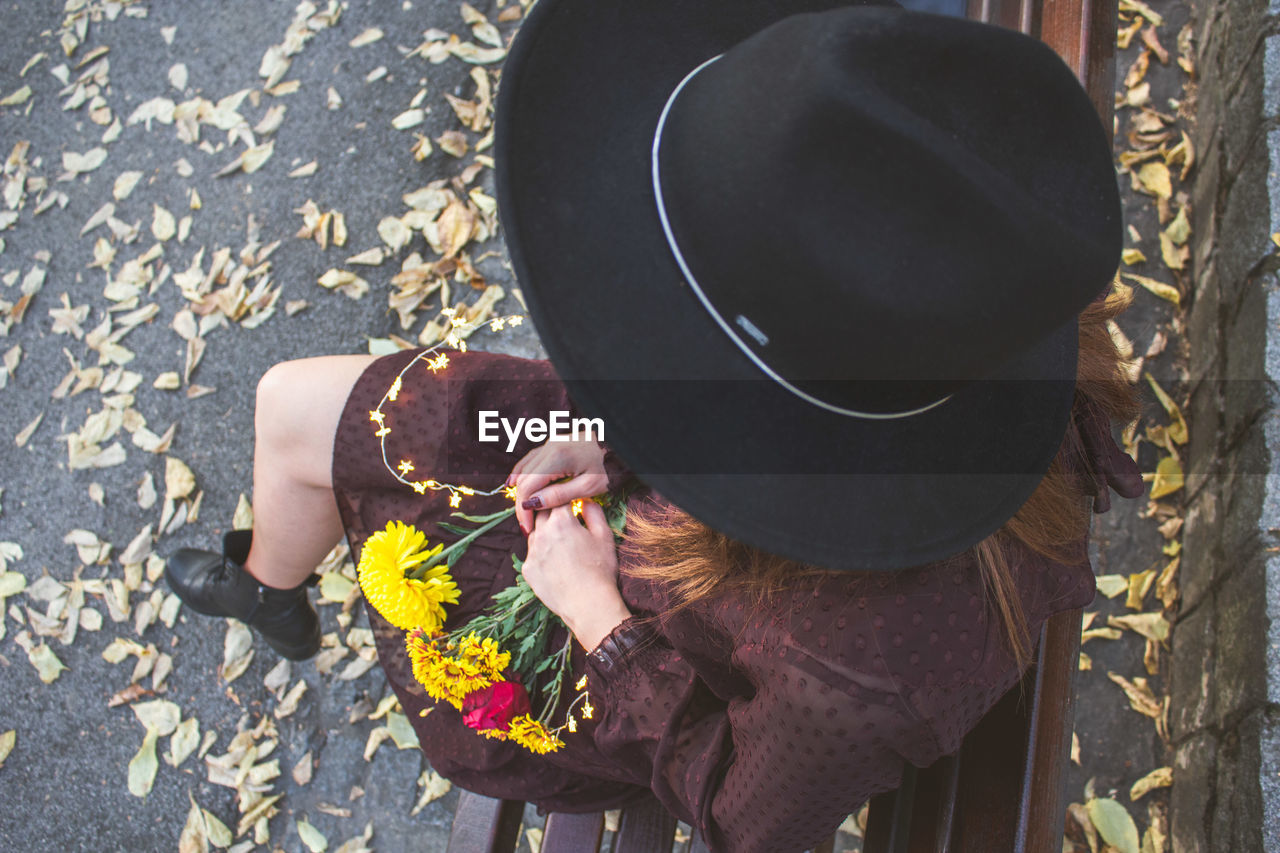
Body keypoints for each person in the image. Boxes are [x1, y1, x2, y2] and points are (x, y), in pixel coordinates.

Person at [165, 0, 1147, 850]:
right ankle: (269, 588)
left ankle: (273, 585)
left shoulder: (857, 665)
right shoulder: (953, 299)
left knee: (384, 493)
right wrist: (619, 425)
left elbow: (734, 816)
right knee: (297, 407)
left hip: (640, 625)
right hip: (663, 465)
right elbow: (783, 360)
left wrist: (593, 612)